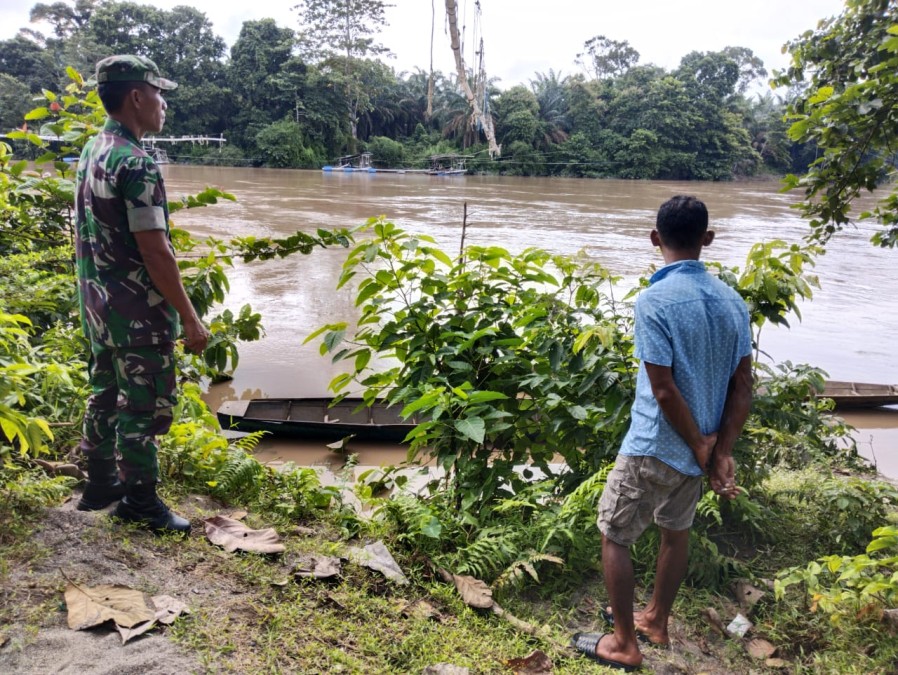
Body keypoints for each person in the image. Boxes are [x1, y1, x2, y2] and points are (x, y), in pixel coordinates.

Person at [571, 195, 753, 671]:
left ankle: (624, 643)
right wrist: (719, 450)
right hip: (700, 449)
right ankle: (655, 620)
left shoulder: (654, 300)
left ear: (655, 239)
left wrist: (697, 444)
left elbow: (665, 390)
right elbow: (743, 384)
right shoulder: (734, 302)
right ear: (707, 240)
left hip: (656, 444)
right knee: (676, 532)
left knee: (615, 534)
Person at [74, 55, 210, 534]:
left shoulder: (95, 149)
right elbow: (157, 254)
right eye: (159, 93)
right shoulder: (136, 163)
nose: (164, 104)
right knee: (144, 406)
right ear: (136, 97)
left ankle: (99, 485)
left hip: (97, 308)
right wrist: (191, 319)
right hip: (136, 315)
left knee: (104, 393)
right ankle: (139, 502)